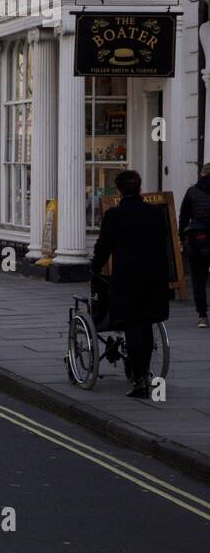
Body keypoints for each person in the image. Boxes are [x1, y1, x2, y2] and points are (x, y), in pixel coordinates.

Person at [91, 170, 171, 399]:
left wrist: (94, 269)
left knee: (133, 327)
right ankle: (143, 373)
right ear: (139, 188)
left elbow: (103, 246)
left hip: (128, 279)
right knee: (146, 326)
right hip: (155, 278)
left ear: (119, 190)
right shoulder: (155, 213)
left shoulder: (115, 215)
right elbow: (164, 242)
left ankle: (140, 380)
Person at [177, 163, 210, 328]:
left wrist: (181, 238)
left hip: (198, 240)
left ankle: (202, 315)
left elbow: (183, 217)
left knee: (199, 279)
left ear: (201, 174)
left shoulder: (192, 192)